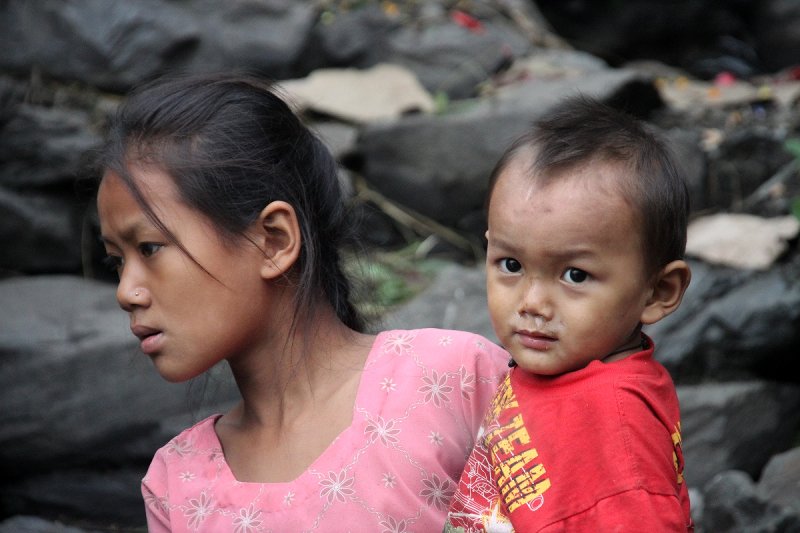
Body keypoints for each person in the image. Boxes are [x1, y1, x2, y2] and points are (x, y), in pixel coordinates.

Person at [94, 73, 510, 532]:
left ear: (273, 240)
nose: (126, 291)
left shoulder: (451, 381)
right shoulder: (176, 484)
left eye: (149, 248)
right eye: (117, 261)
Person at [445, 95, 694, 532]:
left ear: (658, 291)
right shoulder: (564, 372)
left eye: (575, 275)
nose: (532, 303)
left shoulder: (612, 423)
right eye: (511, 265)